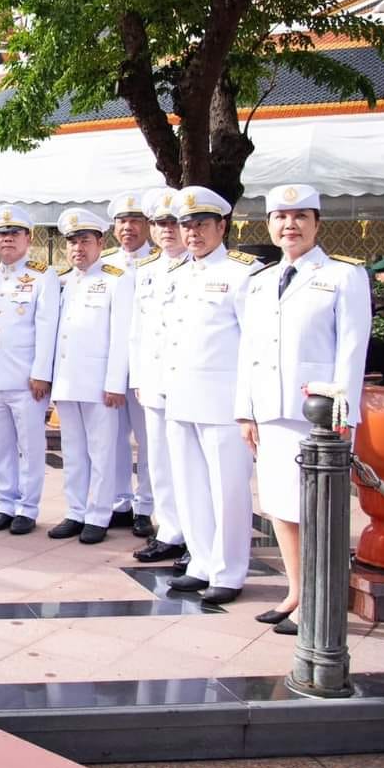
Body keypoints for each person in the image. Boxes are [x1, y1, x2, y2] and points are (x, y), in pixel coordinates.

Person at [235, 183, 370, 635]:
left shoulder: (344, 276)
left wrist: (343, 415)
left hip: (315, 417)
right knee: (279, 509)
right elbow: (249, 350)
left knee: (315, 511)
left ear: (316, 224)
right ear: (269, 225)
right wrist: (245, 411)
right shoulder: (259, 282)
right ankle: (295, 592)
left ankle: (318, 598)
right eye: (280, 217)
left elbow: (352, 350)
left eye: (300, 217)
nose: (289, 225)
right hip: (270, 413)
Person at [163, 187, 260, 606]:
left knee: (229, 490)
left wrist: (247, 406)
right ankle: (201, 561)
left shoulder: (245, 273)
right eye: (187, 225)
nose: (193, 233)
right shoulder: (177, 273)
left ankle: (230, 569)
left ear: (223, 226)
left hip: (223, 401)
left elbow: (254, 344)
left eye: (202, 224)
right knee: (190, 487)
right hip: (181, 397)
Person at [48, 208, 133, 544]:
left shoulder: (116, 280)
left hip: (99, 384)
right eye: (72, 242)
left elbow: (120, 335)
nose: (77, 248)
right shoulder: (64, 282)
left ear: (101, 242)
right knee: (73, 451)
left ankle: (98, 515)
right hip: (69, 382)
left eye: (84, 240)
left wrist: (115, 382)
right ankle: (75, 511)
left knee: (102, 452)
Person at [0, 204, 57, 535]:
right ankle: (5, 503)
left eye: (14, 233)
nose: (7, 239)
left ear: (28, 238)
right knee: (1, 445)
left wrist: (42, 373)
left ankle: (28, 507)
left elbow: (47, 327)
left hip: (26, 379)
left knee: (31, 446)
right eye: (2, 234)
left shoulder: (42, 275)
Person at [126, 188, 188, 566]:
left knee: (188, 463)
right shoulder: (146, 271)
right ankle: (168, 531)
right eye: (159, 223)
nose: (166, 230)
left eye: (172, 223)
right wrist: (137, 374)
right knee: (158, 461)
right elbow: (138, 329)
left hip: (187, 383)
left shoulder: (199, 267)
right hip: (152, 379)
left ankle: (196, 536)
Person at [102, 191, 156, 537]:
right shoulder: (104, 264)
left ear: (147, 225)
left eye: (135, 221)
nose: (128, 228)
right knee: (114, 438)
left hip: (146, 366)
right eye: (122, 222)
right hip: (109, 366)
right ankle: (120, 502)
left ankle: (145, 505)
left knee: (147, 439)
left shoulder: (162, 262)